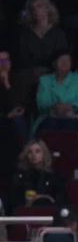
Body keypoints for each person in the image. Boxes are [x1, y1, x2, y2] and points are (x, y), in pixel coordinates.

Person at [14, 0, 69, 108]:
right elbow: (23, 59)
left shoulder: (58, 33)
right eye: (32, 8)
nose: (35, 10)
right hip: (31, 72)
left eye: (39, 6)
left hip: (52, 72)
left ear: (47, 9)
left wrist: (48, 70)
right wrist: (34, 70)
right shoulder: (25, 34)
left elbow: (62, 59)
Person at [33, 50, 78, 138]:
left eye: (67, 60)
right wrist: (54, 106)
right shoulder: (44, 80)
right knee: (49, 126)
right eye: (62, 60)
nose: (65, 63)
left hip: (72, 116)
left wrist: (68, 107)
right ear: (54, 64)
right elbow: (41, 103)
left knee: (71, 126)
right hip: (49, 116)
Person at [10, 138, 65, 209]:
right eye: (30, 152)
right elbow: (13, 200)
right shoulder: (20, 176)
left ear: (44, 154)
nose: (33, 155)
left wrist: (44, 198)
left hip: (47, 214)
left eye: (37, 151)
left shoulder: (53, 176)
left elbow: (61, 200)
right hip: (24, 214)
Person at [0, 50, 26, 183]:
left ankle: (23, 156)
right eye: (0, 61)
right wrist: (7, 116)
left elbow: (19, 106)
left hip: (12, 120)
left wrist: (7, 85)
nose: (3, 64)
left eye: (6, 60)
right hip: (3, 119)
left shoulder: (17, 79)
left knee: (18, 121)